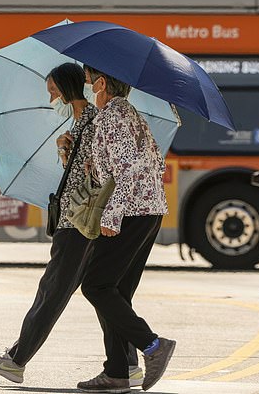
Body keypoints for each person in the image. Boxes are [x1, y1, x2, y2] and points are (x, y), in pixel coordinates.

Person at [0, 63, 144, 387]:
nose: (51, 96)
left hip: (79, 221)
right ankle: (129, 363)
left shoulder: (94, 120)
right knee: (101, 292)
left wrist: (78, 151)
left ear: (66, 89)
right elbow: (80, 171)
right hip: (77, 217)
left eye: (53, 90)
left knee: (54, 289)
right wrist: (66, 150)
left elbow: (99, 173)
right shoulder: (82, 121)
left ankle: (16, 359)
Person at [76, 66, 176, 393]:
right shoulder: (129, 115)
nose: (89, 86)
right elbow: (151, 163)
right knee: (116, 293)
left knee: (96, 285)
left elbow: (127, 170)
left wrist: (112, 216)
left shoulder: (112, 116)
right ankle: (118, 371)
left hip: (132, 212)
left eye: (91, 80)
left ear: (103, 82)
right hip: (148, 210)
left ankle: (153, 346)